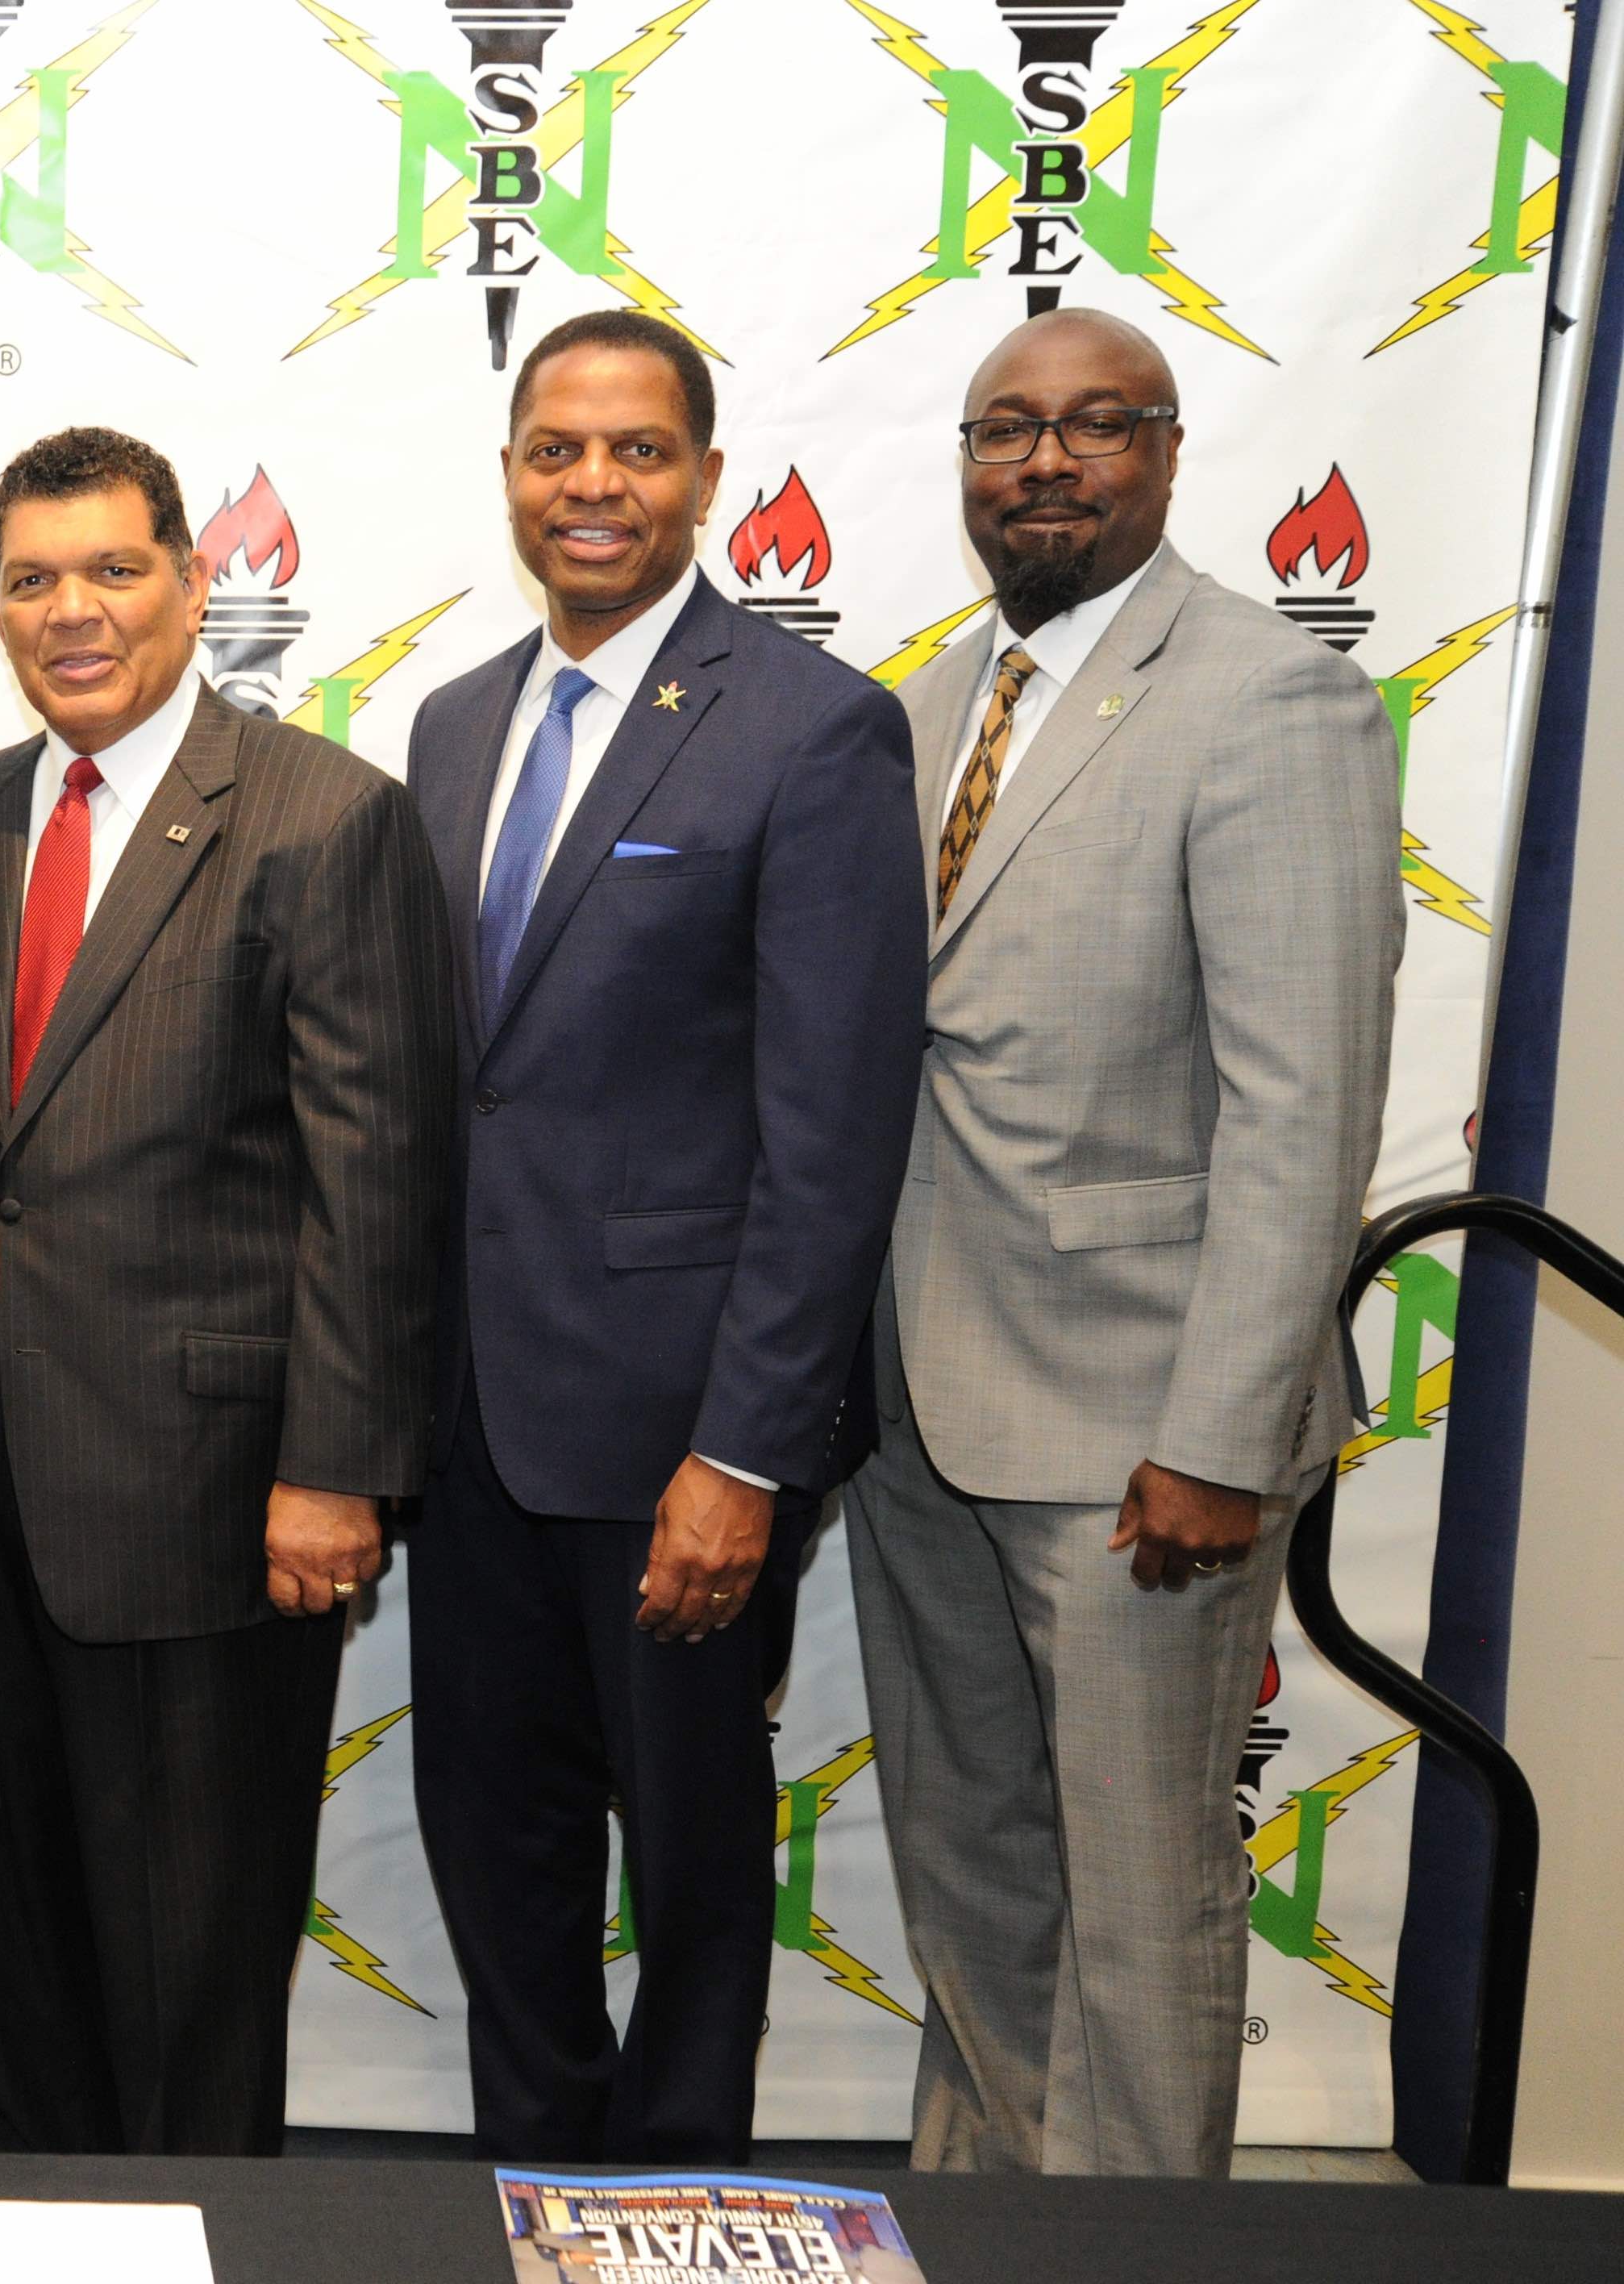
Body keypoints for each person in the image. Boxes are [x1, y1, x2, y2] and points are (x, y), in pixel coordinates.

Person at [843, 307, 1401, 2177]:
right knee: (971, 1865)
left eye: (1095, 427)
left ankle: (1139, 2252)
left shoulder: (1267, 694)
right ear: (968, 470)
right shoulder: (922, 708)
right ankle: (997, 2215)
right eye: (1007, 433)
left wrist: (1221, 1435)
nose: (1046, 464)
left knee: (1143, 1903)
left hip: (1139, 1440)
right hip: (917, 1409)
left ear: (1166, 454)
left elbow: (1301, 1103)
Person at [0, 427, 454, 2157]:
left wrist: (337, 1468)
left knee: (194, 1964)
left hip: (215, 1497)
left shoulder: (323, 816)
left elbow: (382, 1173)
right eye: (32, 579)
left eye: (113, 570)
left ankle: (199, 2244)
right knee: (19, 1943)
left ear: (194, 586)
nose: (73, 612)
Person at [399, 311, 927, 2165]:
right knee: (495, 1849)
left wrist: (746, 1454)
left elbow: (832, 1133)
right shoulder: (454, 724)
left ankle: (680, 2192)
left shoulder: (811, 730)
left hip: (675, 1438)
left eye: (635, 452)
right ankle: (531, 2185)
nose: (593, 487)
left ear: (706, 478)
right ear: (513, 478)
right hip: (470, 1431)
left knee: (695, 1876)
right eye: (557, 451)